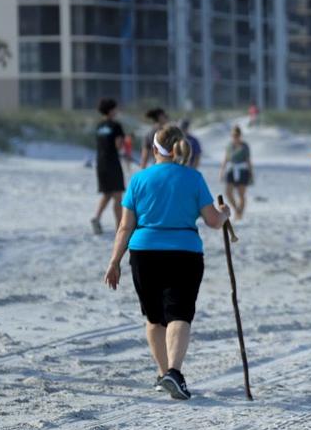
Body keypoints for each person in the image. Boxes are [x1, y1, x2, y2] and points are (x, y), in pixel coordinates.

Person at [103, 123, 230, 399]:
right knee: (180, 314)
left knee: (154, 318)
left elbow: (125, 227)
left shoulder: (139, 179)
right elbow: (212, 221)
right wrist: (225, 213)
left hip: (144, 253)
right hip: (184, 252)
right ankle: (174, 371)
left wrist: (114, 261)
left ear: (153, 149)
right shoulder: (193, 178)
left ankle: (164, 374)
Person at [91, 98, 126, 235]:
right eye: (116, 108)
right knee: (118, 195)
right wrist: (124, 141)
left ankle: (96, 217)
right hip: (112, 163)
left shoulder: (99, 126)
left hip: (100, 163)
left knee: (107, 193)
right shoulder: (116, 126)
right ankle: (119, 227)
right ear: (111, 110)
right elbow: (118, 146)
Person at [220, 125, 253, 220]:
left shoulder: (244, 146)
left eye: (237, 135)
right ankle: (237, 210)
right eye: (234, 135)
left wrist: (251, 173)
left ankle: (240, 214)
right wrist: (222, 171)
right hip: (231, 169)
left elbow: (248, 160)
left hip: (242, 170)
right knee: (228, 192)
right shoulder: (229, 145)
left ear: (240, 135)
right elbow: (225, 159)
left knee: (241, 194)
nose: (235, 137)